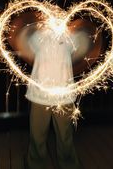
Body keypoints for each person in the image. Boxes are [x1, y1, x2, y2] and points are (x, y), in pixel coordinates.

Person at [24, 25, 89, 169]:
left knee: (65, 137)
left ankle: (69, 165)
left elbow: (79, 47)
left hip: (64, 97)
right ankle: (35, 165)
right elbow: (28, 46)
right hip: (40, 96)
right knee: (37, 136)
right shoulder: (38, 36)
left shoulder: (68, 36)